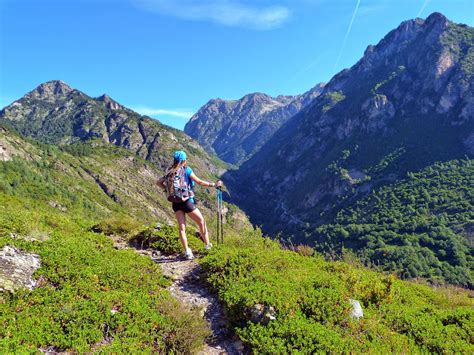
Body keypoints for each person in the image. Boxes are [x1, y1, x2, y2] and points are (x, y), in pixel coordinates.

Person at [157, 150, 222, 259]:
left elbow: (158, 182)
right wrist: (214, 184)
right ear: (184, 161)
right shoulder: (186, 170)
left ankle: (187, 252)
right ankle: (207, 246)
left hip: (175, 203)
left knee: (182, 228)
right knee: (201, 222)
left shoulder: (169, 171)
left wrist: (166, 190)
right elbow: (200, 182)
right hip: (187, 202)